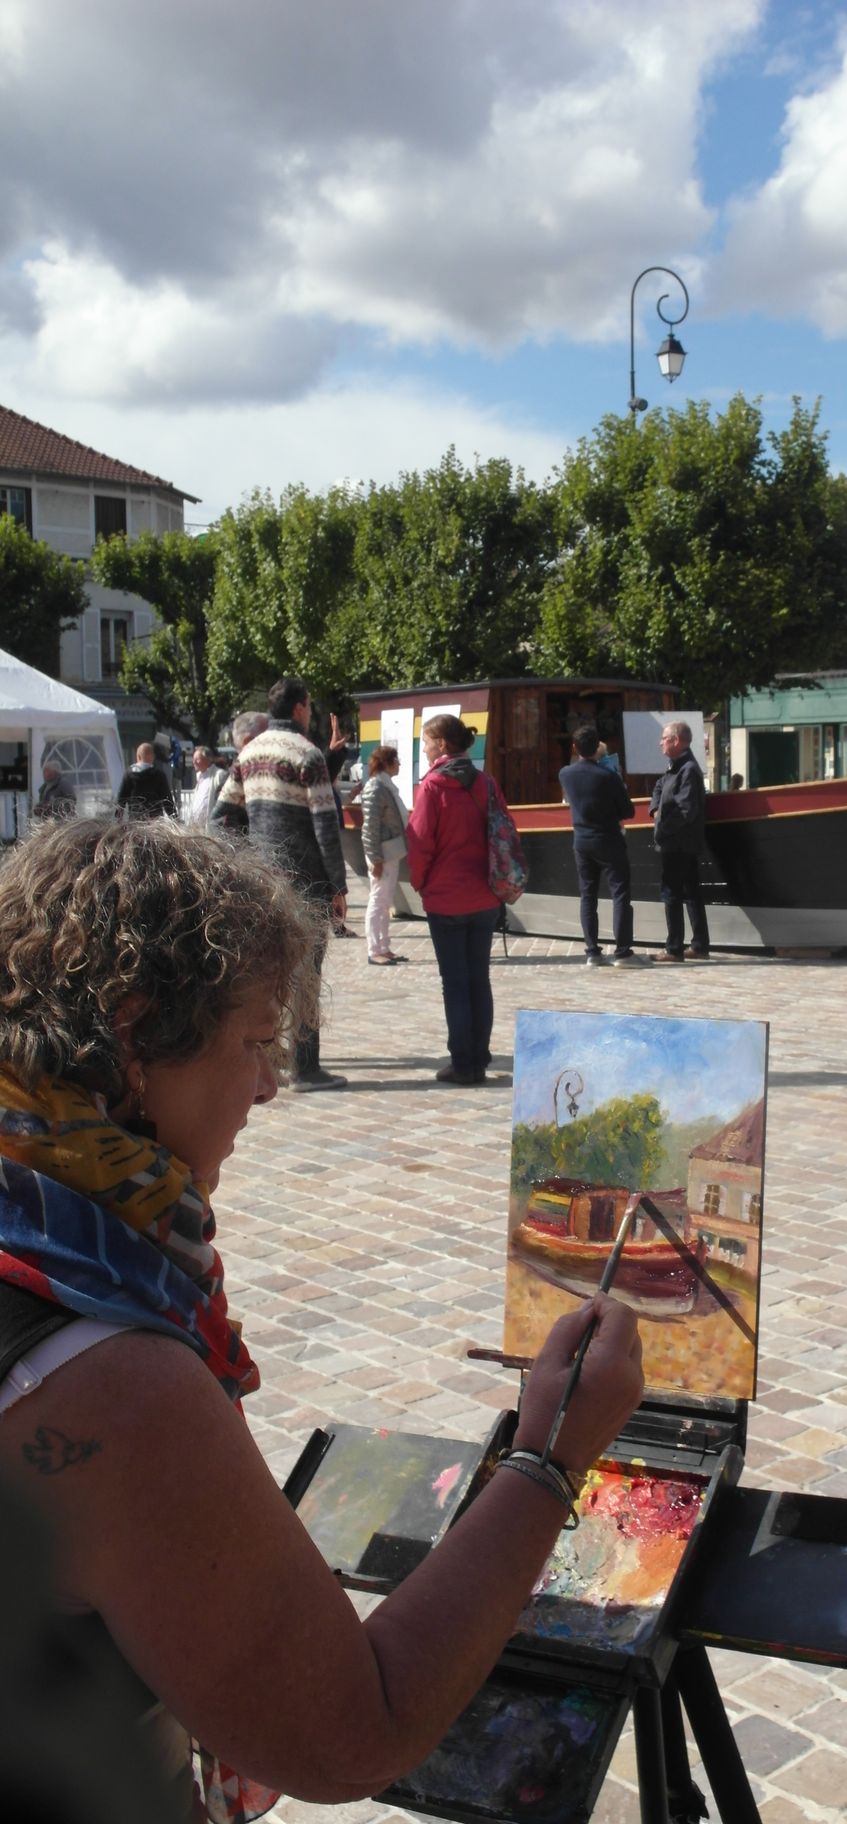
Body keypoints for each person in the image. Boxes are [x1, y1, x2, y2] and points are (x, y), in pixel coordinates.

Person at [0, 815, 643, 1822]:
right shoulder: (99, 1377)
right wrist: (549, 1456)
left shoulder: (46, 1226)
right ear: (133, 1036)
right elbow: (354, 1730)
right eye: (254, 1042)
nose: (268, 1083)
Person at [212, 678, 350, 1092]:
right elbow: (326, 825)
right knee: (307, 974)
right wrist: (338, 887)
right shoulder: (307, 754)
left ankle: (268, 1060)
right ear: (300, 709)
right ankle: (306, 1068)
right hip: (305, 878)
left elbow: (220, 816)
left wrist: (248, 854)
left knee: (269, 970)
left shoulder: (249, 752)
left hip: (262, 878)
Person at [406, 715, 506, 1085]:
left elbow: (418, 844)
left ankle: (463, 1063)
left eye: (427, 741)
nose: (426, 748)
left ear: (443, 745)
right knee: (479, 977)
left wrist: (420, 884)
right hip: (484, 896)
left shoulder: (432, 787)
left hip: (446, 898)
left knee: (456, 981)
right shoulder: (486, 783)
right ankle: (479, 1055)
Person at [559, 726, 649, 969]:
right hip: (609, 839)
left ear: (574, 748)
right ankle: (622, 952)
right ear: (598, 747)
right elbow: (627, 811)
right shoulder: (608, 777)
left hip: (582, 841)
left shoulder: (565, 774)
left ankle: (592, 952)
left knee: (587, 896)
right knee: (620, 894)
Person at [650, 721, 710, 963]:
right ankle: (699, 945)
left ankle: (674, 948)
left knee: (672, 893)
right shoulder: (676, 767)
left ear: (676, 740)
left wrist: (662, 829)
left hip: (678, 843)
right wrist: (655, 809)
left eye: (664, 738)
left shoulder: (687, 770)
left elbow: (686, 810)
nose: (660, 742)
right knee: (691, 892)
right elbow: (659, 787)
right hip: (681, 842)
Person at [361, 744, 408, 967]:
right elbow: (370, 828)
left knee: (385, 900)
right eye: (396, 760)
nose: (399, 764)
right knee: (378, 900)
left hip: (390, 850)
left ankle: (383, 946)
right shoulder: (375, 788)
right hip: (383, 852)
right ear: (387, 763)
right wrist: (375, 858)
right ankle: (374, 949)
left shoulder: (384, 785)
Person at [116, 744, 177, 821]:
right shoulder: (159, 775)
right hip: (154, 822)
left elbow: (121, 799)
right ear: (153, 757)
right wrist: (175, 818)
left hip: (135, 822)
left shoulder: (128, 775)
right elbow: (167, 800)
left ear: (138, 756)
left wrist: (118, 819)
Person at [185, 747, 229, 830]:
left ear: (208, 759)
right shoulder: (199, 776)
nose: (193, 762)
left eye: (197, 759)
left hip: (212, 828)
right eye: (193, 759)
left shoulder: (219, 774)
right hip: (197, 828)